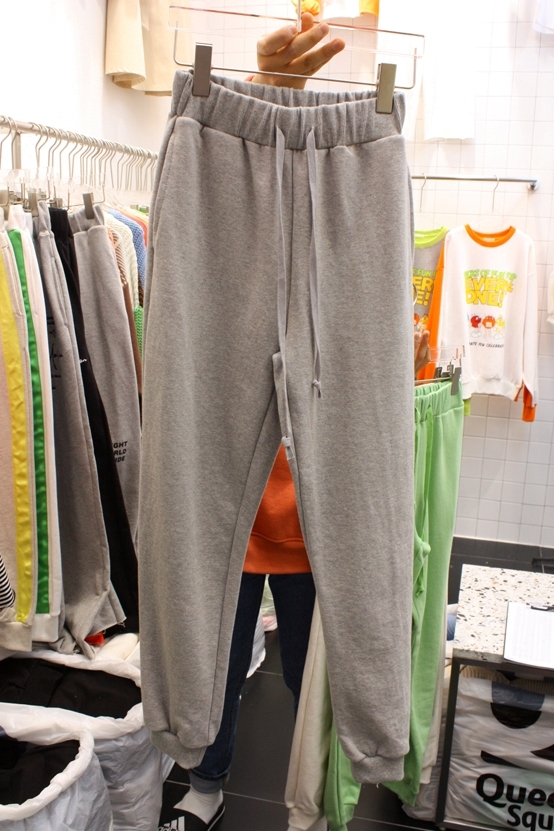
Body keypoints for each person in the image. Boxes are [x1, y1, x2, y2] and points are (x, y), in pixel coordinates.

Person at [177, 17, 430, 830]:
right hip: (244, 519)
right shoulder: (223, 178)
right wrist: (260, 98)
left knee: (306, 671)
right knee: (218, 667)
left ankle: (316, 791)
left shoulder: (362, 187)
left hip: (303, 531)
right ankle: (204, 777)